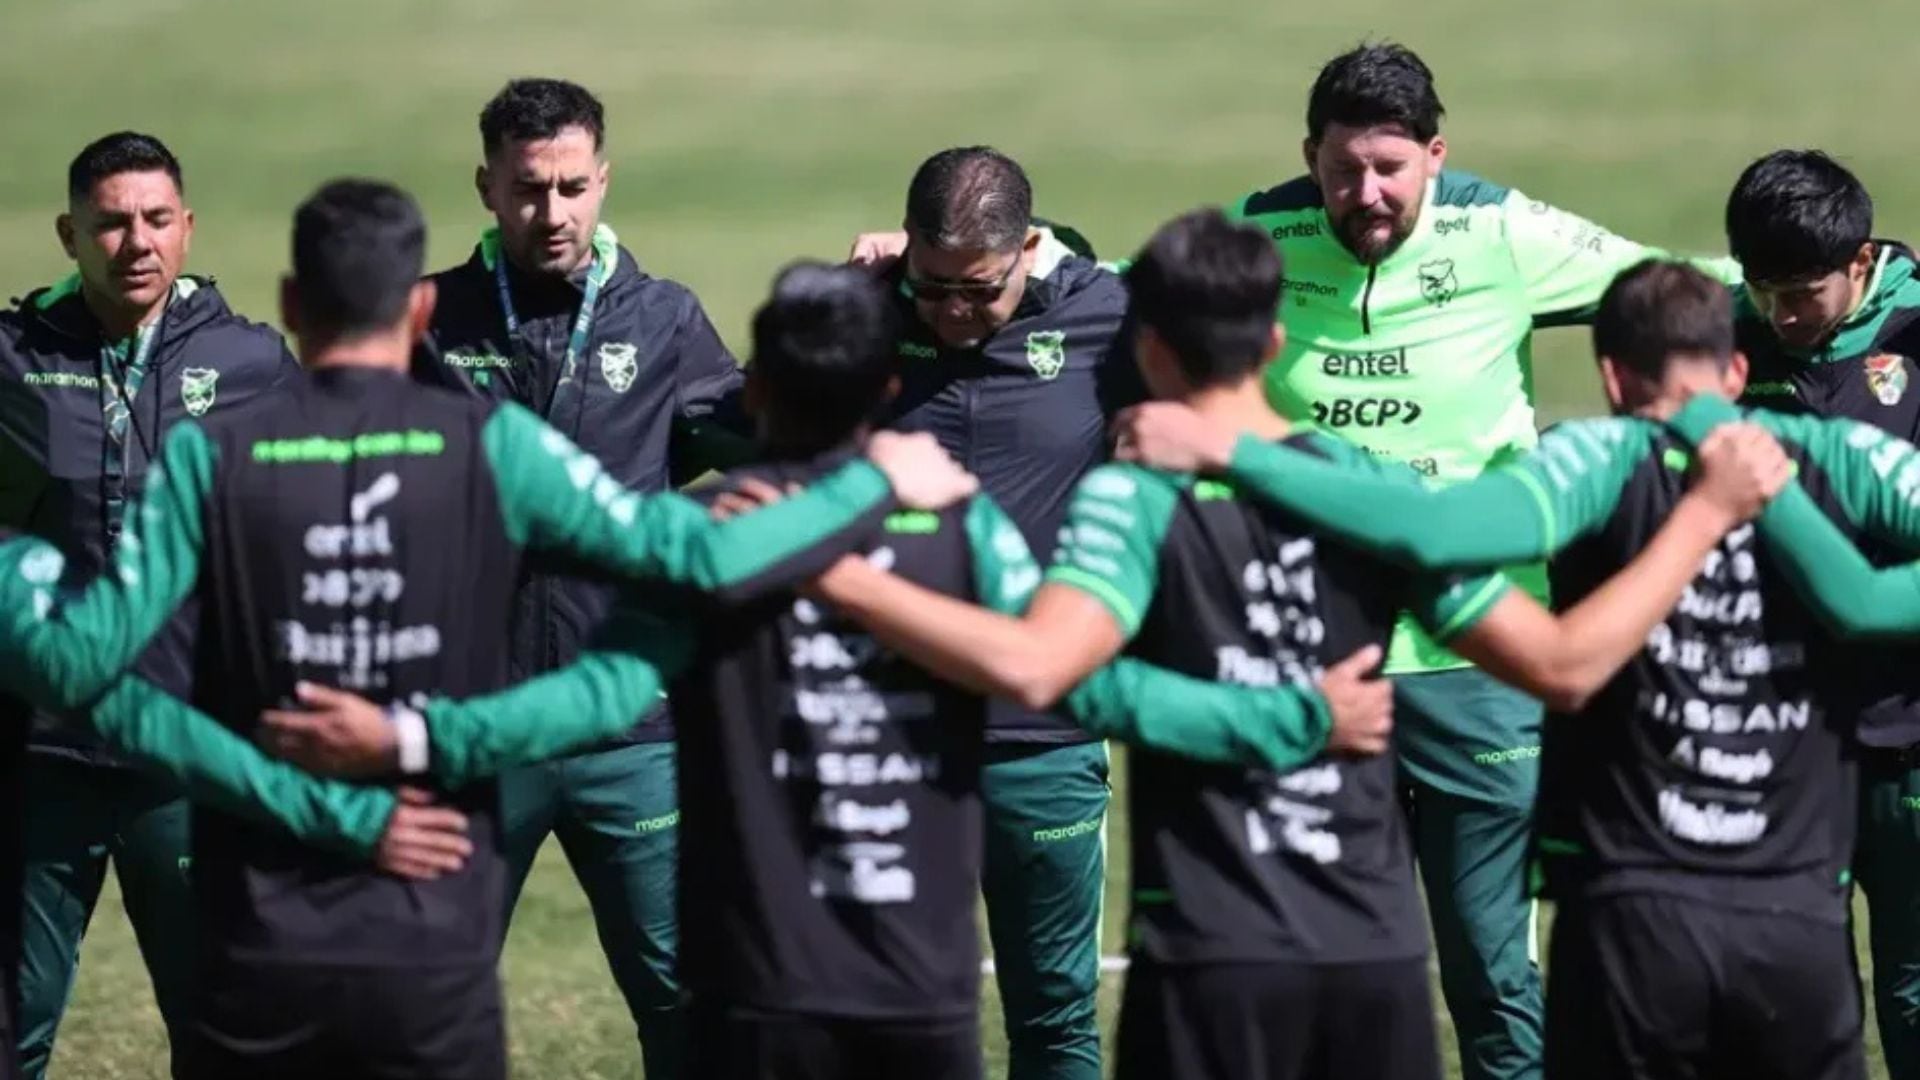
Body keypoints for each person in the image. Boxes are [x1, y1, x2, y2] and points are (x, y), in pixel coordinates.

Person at [235, 259, 1389, 1080]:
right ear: (888, 393)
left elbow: (591, 699)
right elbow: (1076, 682)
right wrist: (1292, 718)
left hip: (755, 987)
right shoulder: (964, 529)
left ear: (756, 396)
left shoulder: (711, 540)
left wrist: (410, 738)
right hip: (918, 988)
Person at [849, 49, 1740, 1078]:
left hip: (1449, 683)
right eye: (1343, 169)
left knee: (1491, 975)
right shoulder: (1278, 294)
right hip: (1306, 677)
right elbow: (1111, 283)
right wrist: (950, 261)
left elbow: (1692, 294)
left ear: (1436, 156)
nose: (1367, 192)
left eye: (1391, 168)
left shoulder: (1500, 237)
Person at [0, 178, 972, 1080]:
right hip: (432, 921)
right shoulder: (492, 445)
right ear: (422, 310)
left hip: (263, 925)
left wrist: (18, 573)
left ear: (291, 307)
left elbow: (85, 670)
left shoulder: (206, 456)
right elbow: (695, 556)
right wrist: (867, 483)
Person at [409, 78, 752, 1076]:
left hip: (632, 730)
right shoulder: (428, 321)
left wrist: (878, 304)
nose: (550, 213)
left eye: (570, 187)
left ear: (602, 180)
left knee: (686, 1002)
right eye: (527, 189)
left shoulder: (665, 319)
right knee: (419, 999)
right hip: (477, 727)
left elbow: (763, 438)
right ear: (487, 186)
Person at [0, 131, 298, 1080]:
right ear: (69, 234)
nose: (137, 242)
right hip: (41, 756)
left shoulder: (251, 362)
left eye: (157, 219)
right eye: (112, 223)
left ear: (187, 227)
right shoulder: (10, 357)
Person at [878, 145, 1143, 1080]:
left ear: (1029, 250)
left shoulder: (1112, 318)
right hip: (886, 740)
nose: (952, 311)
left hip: (1046, 740)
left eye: (978, 290)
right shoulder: (864, 316)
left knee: (1055, 1017)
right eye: (932, 285)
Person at [1724, 149, 1920, 1079]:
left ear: (1861, 262)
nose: (1782, 315)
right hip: (1779, 733)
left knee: (1916, 985)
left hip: (1907, 727)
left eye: (1803, 293)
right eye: (1764, 291)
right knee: (1796, 991)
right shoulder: (1724, 340)